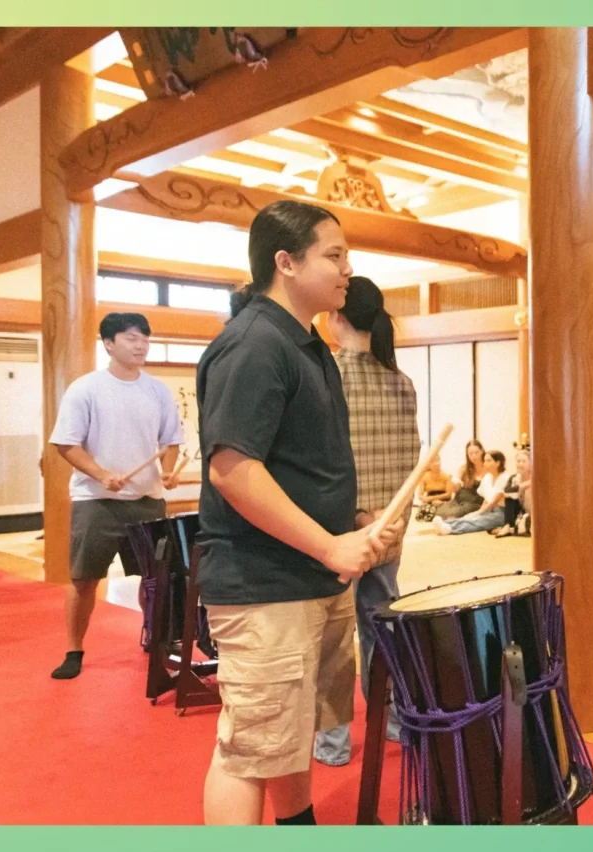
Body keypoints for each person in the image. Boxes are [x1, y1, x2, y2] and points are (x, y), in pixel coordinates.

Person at [196, 200, 404, 825]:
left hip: (310, 578)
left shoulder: (305, 344)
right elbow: (232, 469)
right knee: (250, 750)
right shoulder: (256, 343)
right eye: (334, 255)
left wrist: (355, 522)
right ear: (286, 262)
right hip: (266, 584)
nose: (347, 270)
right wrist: (326, 545)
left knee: (293, 733)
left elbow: (299, 463)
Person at [311, 276, 421, 767]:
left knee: (334, 640)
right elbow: (412, 461)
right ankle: (394, 721)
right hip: (391, 531)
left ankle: (333, 742)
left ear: (335, 317)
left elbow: (326, 464)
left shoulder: (326, 374)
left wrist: (360, 518)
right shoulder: (401, 381)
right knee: (384, 628)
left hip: (341, 533)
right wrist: (393, 522)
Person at [46, 313, 185, 680]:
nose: (141, 345)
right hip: (96, 501)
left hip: (146, 499)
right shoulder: (86, 388)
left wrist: (168, 471)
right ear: (108, 343)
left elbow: (170, 440)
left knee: (153, 578)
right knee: (84, 579)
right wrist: (102, 474)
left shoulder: (156, 390)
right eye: (131, 338)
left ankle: (155, 638)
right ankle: (74, 649)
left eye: (145, 339)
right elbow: (66, 443)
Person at [433, 451, 507, 535]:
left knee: (477, 521)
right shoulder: (487, 478)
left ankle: (450, 529)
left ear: (498, 463)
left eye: (489, 461)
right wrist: (478, 512)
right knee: (468, 517)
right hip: (488, 508)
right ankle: (446, 524)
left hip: (502, 512)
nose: (485, 463)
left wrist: (479, 512)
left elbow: (493, 502)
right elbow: (486, 499)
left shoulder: (505, 478)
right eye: (485, 460)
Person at [435, 440, 488, 520]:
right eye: (470, 453)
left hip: (474, 502)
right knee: (440, 512)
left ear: (482, 451)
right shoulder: (464, 468)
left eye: (476, 452)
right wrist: (455, 486)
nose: (474, 456)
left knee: (455, 513)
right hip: (459, 499)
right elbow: (457, 490)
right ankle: (451, 519)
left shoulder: (488, 468)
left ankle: (452, 521)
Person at [414, 454, 455, 521]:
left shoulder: (446, 476)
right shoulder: (424, 476)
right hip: (430, 501)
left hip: (443, 501)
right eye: (433, 461)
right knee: (421, 513)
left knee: (442, 512)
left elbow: (448, 495)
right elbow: (420, 495)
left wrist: (434, 499)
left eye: (438, 460)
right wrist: (428, 499)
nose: (436, 463)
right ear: (429, 464)